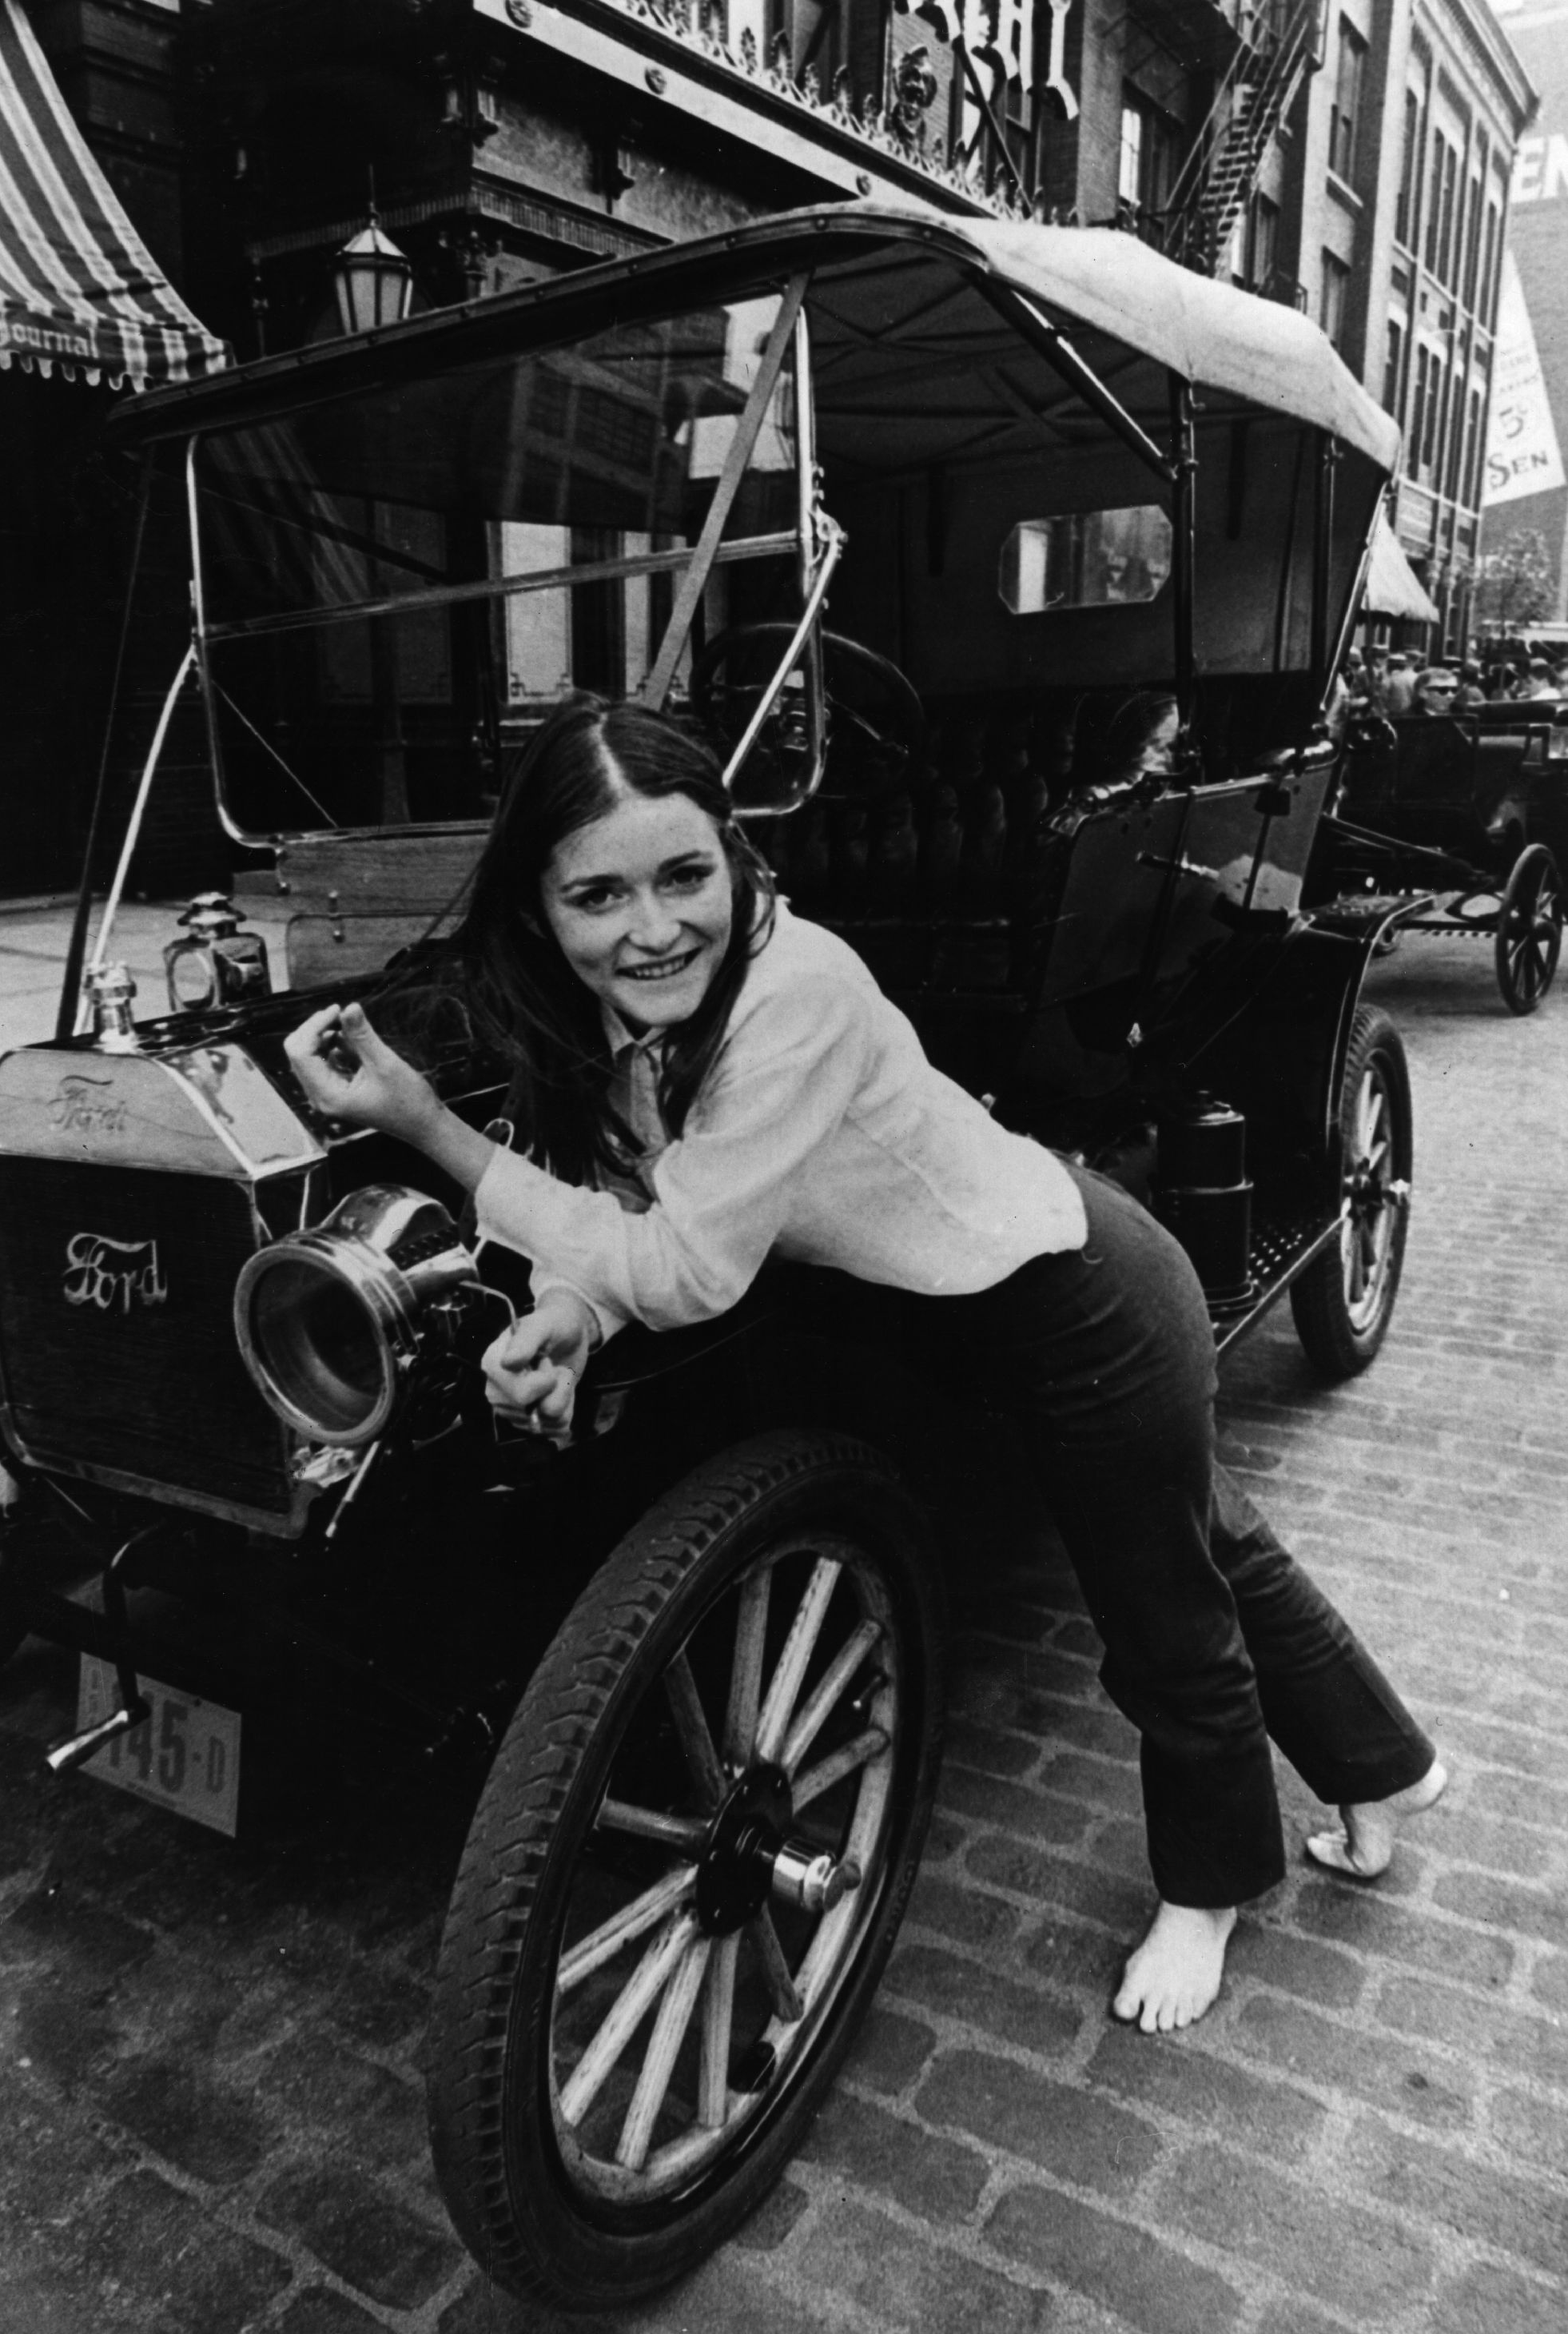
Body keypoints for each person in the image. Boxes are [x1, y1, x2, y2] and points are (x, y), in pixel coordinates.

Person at [285, 695, 1444, 2037]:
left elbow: (686, 1268)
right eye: (597, 893)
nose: (650, 927)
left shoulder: (802, 992)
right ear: (541, 905)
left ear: (735, 857)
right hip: (943, 1315)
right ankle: (1388, 1766)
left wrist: (429, 1128)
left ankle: (1211, 1889)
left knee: (1164, 1602)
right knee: (1207, 1539)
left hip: (1078, 1304)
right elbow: (616, 1190)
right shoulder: (606, 1001)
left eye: (683, 876)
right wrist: (570, 1310)